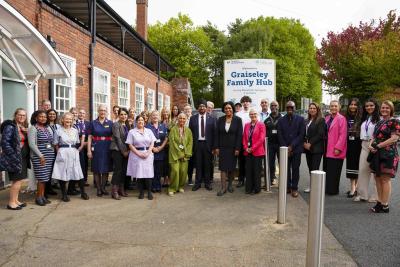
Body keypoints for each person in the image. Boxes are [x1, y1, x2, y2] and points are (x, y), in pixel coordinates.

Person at [368, 100, 399, 213]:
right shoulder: (379, 122)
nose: (384, 109)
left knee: (385, 179)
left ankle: (385, 205)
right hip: (377, 153)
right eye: (383, 108)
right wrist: (370, 145)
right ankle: (379, 202)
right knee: (377, 178)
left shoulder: (394, 121)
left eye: (387, 108)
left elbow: (394, 138)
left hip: (389, 154)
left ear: (391, 110)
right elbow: (373, 136)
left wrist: (378, 146)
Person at [52, 113, 88, 202]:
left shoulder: (75, 130)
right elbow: (56, 144)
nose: (68, 121)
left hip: (73, 151)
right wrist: (59, 153)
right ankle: (64, 194)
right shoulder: (58, 131)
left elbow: (76, 142)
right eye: (67, 119)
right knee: (62, 172)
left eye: (70, 119)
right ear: (63, 120)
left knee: (77, 171)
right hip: (62, 152)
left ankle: (83, 192)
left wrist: (77, 150)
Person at [1, 108, 29, 210]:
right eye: (20, 115)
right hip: (15, 157)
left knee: (19, 180)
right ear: (15, 115)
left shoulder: (22, 126)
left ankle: (16, 200)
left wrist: (26, 132)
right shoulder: (10, 126)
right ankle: (11, 203)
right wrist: (13, 155)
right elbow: (5, 143)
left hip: (22, 157)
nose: (22, 117)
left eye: (24, 115)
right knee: (16, 180)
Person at [277, 101, 305, 197]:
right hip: (285, 149)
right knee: (286, 169)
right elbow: (279, 135)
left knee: (295, 169)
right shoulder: (281, 120)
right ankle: (288, 187)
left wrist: (292, 146)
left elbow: (301, 135)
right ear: (285, 108)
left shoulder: (301, 119)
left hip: (296, 149)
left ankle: (294, 188)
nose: (289, 109)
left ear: (294, 108)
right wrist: (286, 147)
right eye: (288, 107)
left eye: (291, 107)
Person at [354, 98, 379, 202]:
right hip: (364, 144)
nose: (369, 107)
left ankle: (376, 196)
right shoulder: (365, 118)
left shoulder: (379, 118)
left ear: (375, 106)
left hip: (375, 145)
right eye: (367, 106)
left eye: (371, 105)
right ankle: (362, 194)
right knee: (363, 170)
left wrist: (375, 144)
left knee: (375, 172)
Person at [215, 102, 243, 196]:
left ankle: (230, 185)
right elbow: (217, 134)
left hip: (233, 148)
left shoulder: (238, 120)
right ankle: (223, 188)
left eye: (230, 108)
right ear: (224, 110)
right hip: (222, 148)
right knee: (222, 168)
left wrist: (237, 148)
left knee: (231, 168)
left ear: (233, 109)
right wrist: (217, 147)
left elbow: (239, 135)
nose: (228, 110)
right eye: (226, 108)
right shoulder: (220, 119)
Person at [126, 115, 156, 200]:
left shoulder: (149, 131)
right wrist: (139, 153)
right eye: (139, 120)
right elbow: (130, 145)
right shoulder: (132, 132)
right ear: (136, 122)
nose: (140, 121)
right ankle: (141, 192)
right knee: (139, 174)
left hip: (148, 154)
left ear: (144, 122)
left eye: (142, 120)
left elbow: (152, 143)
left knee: (148, 174)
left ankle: (149, 192)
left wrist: (148, 152)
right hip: (136, 154)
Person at [28, 110, 55, 206]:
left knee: (45, 178)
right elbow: (32, 144)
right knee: (41, 177)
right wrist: (41, 155)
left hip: (49, 156)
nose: (43, 118)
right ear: (36, 118)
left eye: (45, 117)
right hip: (39, 156)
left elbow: (52, 141)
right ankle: (38, 197)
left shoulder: (47, 127)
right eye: (41, 116)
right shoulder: (33, 128)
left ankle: (42, 196)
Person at [190, 100, 217, 191]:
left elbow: (214, 134)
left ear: (206, 108)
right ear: (198, 108)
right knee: (198, 164)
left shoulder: (212, 118)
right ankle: (197, 183)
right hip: (197, 144)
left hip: (208, 145)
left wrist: (214, 147)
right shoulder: (193, 118)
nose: (202, 108)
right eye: (200, 106)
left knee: (207, 164)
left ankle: (207, 183)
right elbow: (190, 133)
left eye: (203, 106)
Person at [87, 104, 113, 197]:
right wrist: (89, 150)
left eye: (104, 110)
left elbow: (114, 136)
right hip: (96, 147)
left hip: (107, 147)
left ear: (106, 112)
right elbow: (89, 137)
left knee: (106, 169)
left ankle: (103, 188)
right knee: (97, 169)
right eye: (101, 110)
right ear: (98, 111)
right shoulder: (93, 123)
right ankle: (98, 189)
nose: (102, 112)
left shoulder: (110, 123)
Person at [324, 100, 347, 195]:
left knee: (335, 170)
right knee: (328, 170)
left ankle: (333, 190)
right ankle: (327, 188)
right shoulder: (327, 118)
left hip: (336, 149)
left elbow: (343, 135)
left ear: (339, 107)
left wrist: (338, 148)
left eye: (335, 106)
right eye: (332, 106)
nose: (333, 108)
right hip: (326, 148)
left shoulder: (342, 118)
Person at [303, 103, 326, 193]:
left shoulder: (321, 120)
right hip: (307, 148)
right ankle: (312, 185)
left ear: (317, 110)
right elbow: (304, 133)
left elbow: (320, 134)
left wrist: (310, 143)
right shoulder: (306, 120)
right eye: (310, 108)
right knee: (310, 168)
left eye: (314, 108)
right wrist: (304, 143)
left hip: (317, 148)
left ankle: (315, 187)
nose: (312, 110)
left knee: (315, 168)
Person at [168, 113, 193, 196]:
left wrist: (185, 153)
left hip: (185, 155)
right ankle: (172, 188)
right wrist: (179, 153)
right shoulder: (173, 129)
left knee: (183, 171)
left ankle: (180, 187)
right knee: (175, 171)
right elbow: (172, 142)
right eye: (180, 118)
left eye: (183, 118)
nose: (182, 120)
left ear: (186, 120)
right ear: (177, 119)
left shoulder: (188, 130)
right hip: (174, 154)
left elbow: (190, 143)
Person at [242, 109, 266, 194]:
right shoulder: (246, 125)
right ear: (249, 115)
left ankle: (256, 189)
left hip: (257, 151)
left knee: (256, 171)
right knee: (248, 170)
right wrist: (246, 148)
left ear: (257, 115)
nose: (253, 115)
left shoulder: (261, 125)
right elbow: (244, 138)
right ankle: (249, 188)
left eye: (254, 114)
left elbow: (261, 139)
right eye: (251, 114)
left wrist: (252, 148)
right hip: (247, 151)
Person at [109, 108, 130, 200]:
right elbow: (118, 139)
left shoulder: (128, 125)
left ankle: (121, 189)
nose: (123, 116)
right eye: (121, 114)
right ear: (118, 115)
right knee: (117, 170)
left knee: (124, 170)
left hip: (126, 151)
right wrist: (123, 151)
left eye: (125, 114)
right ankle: (114, 191)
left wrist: (128, 150)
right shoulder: (115, 125)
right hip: (117, 150)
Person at [146, 110, 168, 193]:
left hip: (160, 151)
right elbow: (145, 139)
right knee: (152, 169)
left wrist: (161, 147)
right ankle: (152, 186)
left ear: (159, 117)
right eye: (153, 115)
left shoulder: (163, 126)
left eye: (157, 115)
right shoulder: (147, 127)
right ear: (151, 117)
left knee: (159, 170)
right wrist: (152, 148)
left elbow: (166, 138)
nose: (155, 117)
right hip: (151, 151)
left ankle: (158, 186)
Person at [345, 98, 362, 198]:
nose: (353, 106)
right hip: (349, 143)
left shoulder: (361, 117)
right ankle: (352, 187)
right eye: (351, 104)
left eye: (355, 105)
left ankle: (356, 187)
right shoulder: (346, 117)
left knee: (358, 166)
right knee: (351, 165)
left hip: (359, 143)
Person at [264, 101, 282, 185]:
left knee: (281, 162)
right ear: (270, 107)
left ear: (278, 107)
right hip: (270, 145)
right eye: (272, 105)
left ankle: (283, 179)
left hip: (280, 144)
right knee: (270, 162)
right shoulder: (266, 120)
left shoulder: (283, 119)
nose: (273, 107)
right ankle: (272, 177)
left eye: (275, 105)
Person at [236, 96, 252, 188]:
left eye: (247, 101)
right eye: (244, 102)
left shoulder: (254, 113)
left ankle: (249, 179)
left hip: (251, 140)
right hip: (241, 140)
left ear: (250, 103)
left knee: (249, 162)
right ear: (242, 103)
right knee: (241, 161)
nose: (245, 103)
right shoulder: (238, 114)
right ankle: (241, 179)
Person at [76, 109, 90, 186]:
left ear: (85, 114)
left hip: (86, 146)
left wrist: (86, 143)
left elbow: (90, 135)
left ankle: (84, 180)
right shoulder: (75, 123)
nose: (81, 114)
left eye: (83, 113)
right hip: (77, 146)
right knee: (78, 163)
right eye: (80, 113)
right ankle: (77, 181)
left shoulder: (88, 123)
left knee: (85, 164)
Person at [160, 107, 171, 187]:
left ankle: (169, 179)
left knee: (169, 163)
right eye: (164, 112)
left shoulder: (172, 122)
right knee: (163, 163)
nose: (165, 114)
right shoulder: (160, 122)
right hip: (162, 145)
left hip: (170, 146)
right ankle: (164, 179)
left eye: (167, 112)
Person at [183, 104, 194, 184]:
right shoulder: (182, 119)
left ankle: (190, 178)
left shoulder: (194, 119)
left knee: (191, 162)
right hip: (182, 144)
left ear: (191, 110)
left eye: (188, 109)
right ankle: (183, 178)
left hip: (191, 144)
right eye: (185, 110)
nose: (187, 111)